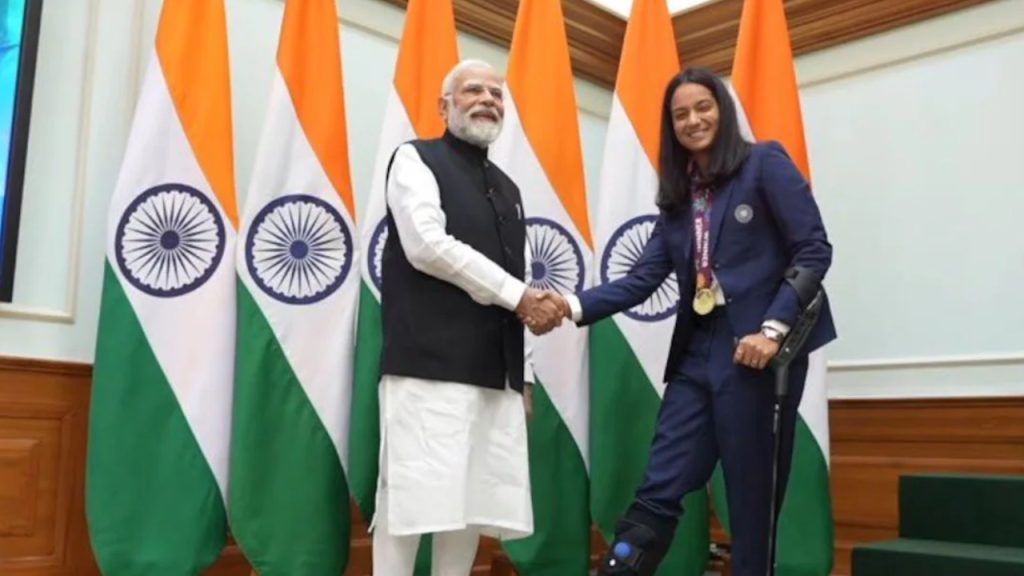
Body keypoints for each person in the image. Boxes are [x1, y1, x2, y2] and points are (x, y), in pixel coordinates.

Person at [538, 67, 837, 575]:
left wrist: (772, 330)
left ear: (722, 110)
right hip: (697, 355)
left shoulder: (764, 163)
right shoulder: (679, 202)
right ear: (670, 126)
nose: (693, 120)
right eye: (681, 114)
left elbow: (813, 250)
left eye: (704, 107)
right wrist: (567, 304)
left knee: (751, 499)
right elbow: (640, 280)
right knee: (661, 482)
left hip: (757, 357)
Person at [372, 59, 562, 576]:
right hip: (427, 366)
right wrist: (521, 295)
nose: (487, 100)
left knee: (470, 505)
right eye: (473, 90)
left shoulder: (508, 188)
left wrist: (519, 375)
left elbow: (512, 279)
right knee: (410, 503)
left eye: (496, 93)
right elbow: (426, 247)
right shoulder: (414, 159)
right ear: (444, 105)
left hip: (492, 372)